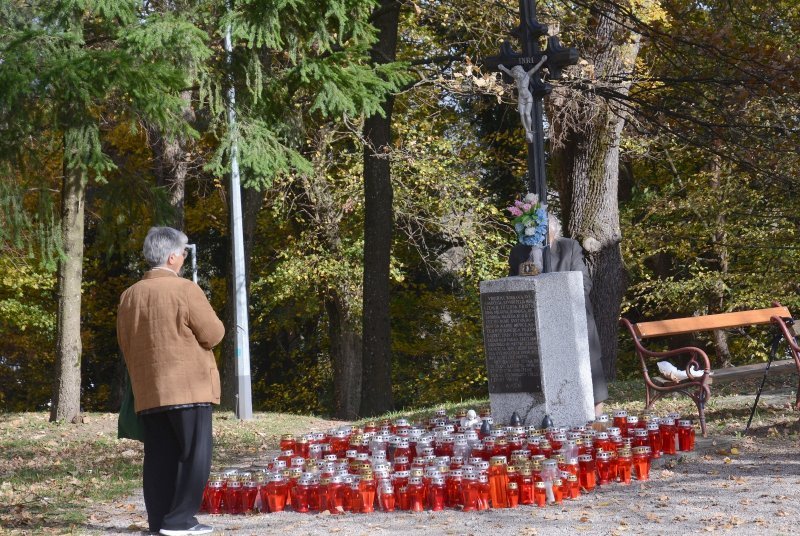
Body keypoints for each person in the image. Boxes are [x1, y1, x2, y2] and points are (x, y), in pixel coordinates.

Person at [117, 227, 225, 536]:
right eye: (184, 253)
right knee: (194, 455)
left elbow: (124, 343)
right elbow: (213, 334)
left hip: (149, 391)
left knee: (158, 458)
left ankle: (160, 522)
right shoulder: (185, 290)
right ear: (172, 256)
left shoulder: (129, 296)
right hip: (188, 386)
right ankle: (180, 521)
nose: (184, 257)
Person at [508, 214, 608, 415]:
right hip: (537, 325)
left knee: (590, 373)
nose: (542, 242)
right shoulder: (519, 251)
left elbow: (584, 283)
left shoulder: (569, 248)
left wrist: (556, 300)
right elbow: (512, 286)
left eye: (547, 236)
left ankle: (595, 418)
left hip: (573, 320)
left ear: (554, 232)